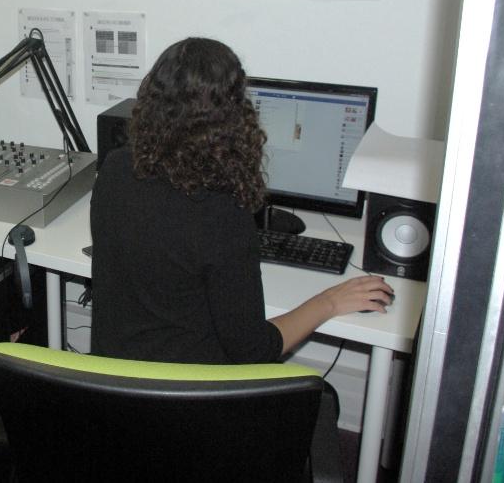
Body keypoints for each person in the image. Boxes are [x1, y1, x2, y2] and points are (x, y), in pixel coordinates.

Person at [89, 37, 394, 364]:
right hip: (189, 390)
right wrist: (329, 302)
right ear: (235, 115)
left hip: (113, 383)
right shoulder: (219, 212)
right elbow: (254, 350)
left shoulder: (115, 168)